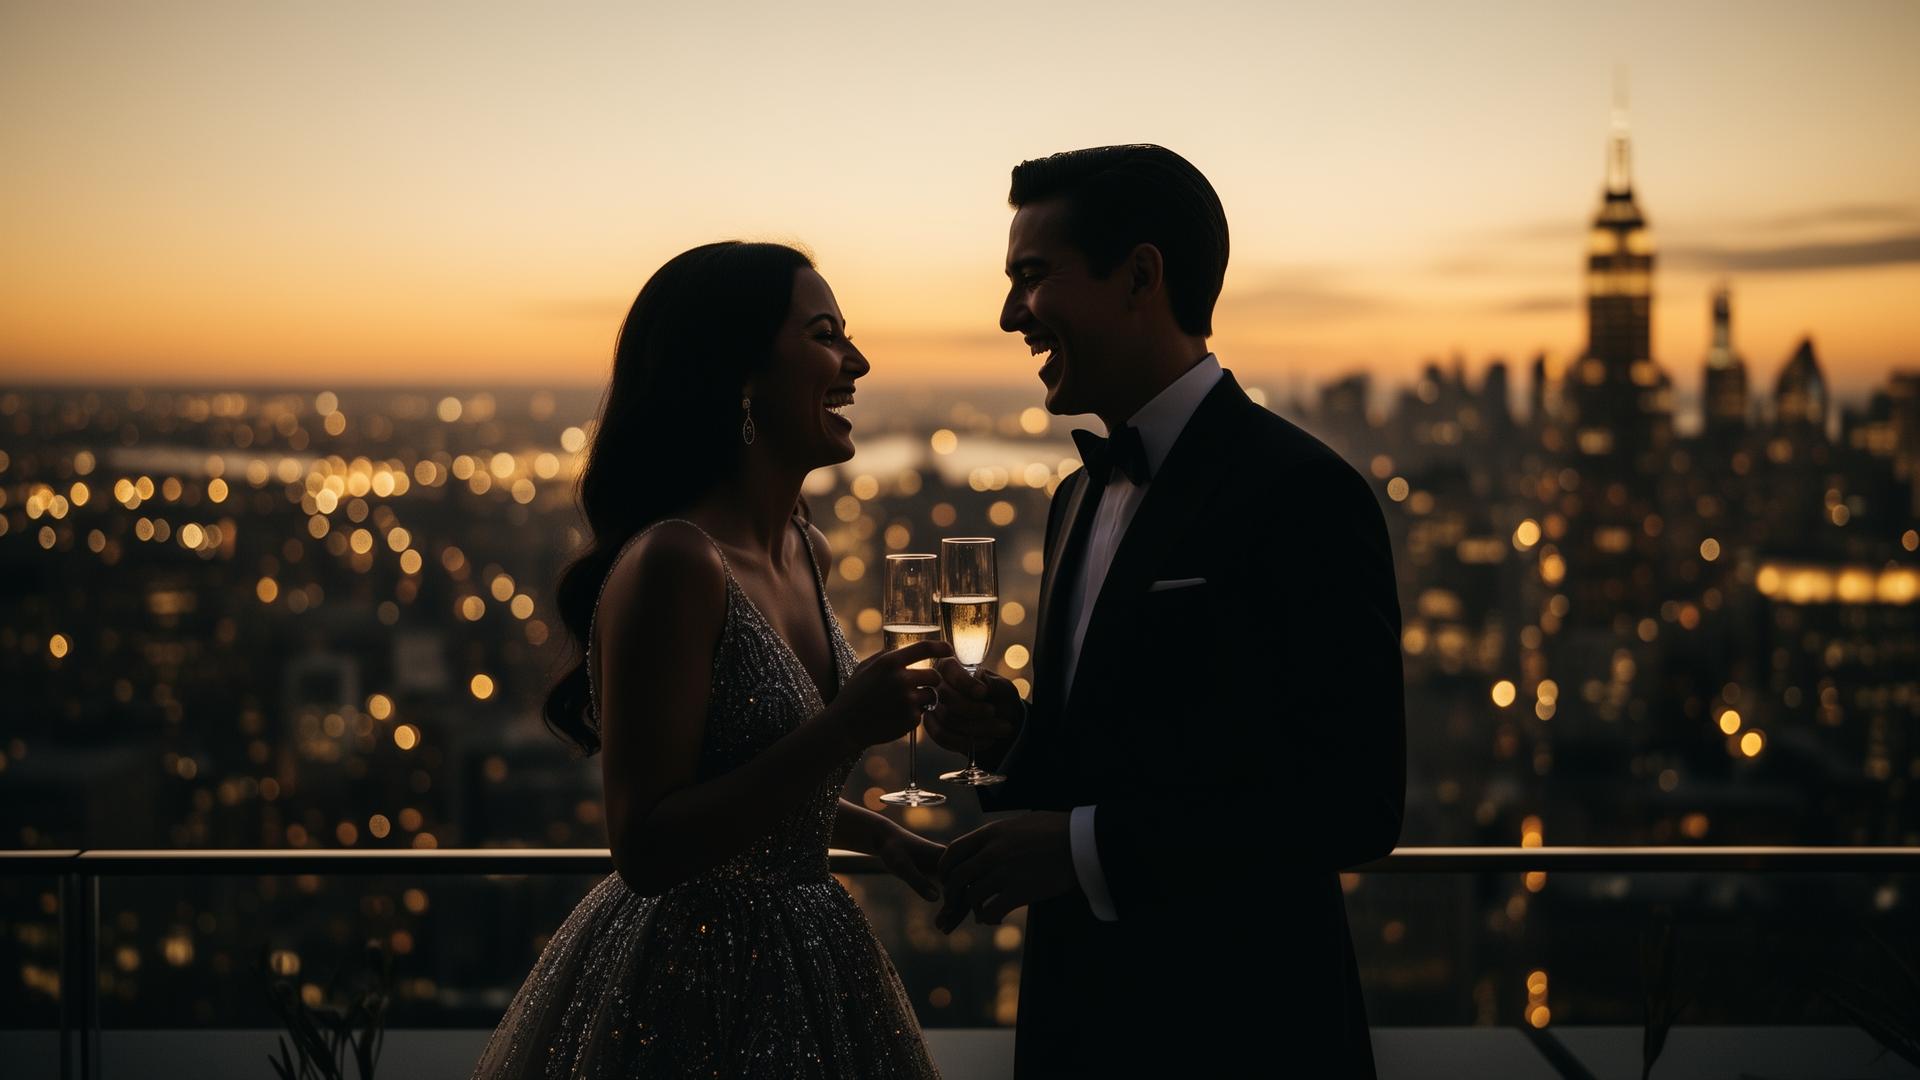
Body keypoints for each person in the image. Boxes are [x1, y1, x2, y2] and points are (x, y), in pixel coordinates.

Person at [926, 145, 1407, 1076]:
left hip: (1242, 1026)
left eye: (1032, 277)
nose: (1008, 314)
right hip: (1078, 1026)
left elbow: (1353, 804)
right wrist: (1011, 741)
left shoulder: (1302, 492)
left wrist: (1081, 847)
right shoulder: (1074, 499)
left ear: (1140, 276)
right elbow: (1128, 748)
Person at [472, 241, 950, 1079]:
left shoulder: (806, 548)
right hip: (693, 982)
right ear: (740, 374)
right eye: (826, 335)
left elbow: (739, 772)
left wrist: (875, 834)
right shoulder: (676, 562)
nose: (858, 361)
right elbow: (648, 845)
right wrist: (844, 731)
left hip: (814, 953)